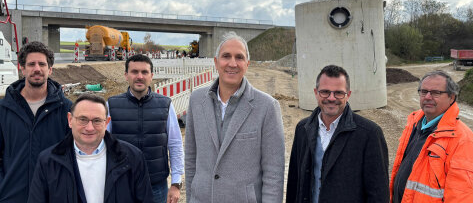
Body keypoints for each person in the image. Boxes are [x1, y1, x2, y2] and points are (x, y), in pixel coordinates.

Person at [184, 31, 285, 203]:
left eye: (239, 57)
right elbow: (191, 157)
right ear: (216, 62)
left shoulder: (267, 107)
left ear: (247, 63)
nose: (232, 63)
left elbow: (273, 172)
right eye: (226, 56)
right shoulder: (196, 100)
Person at [0, 41, 72, 203]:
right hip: (13, 197)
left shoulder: (67, 109)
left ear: (50, 69)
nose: (37, 68)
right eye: (31, 64)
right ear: (22, 68)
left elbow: (75, 155)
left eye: (42, 64)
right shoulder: (2, 109)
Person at [286, 65, 389, 203]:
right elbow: (294, 181)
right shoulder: (303, 129)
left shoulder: (369, 134)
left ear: (348, 95)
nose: (332, 98)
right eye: (325, 92)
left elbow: (378, 193)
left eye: (339, 93)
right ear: (316, 93)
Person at [28, 94, 153, 203]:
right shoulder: (48, 161)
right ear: (70, 120)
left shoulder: (132, 157)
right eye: (83, 119)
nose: (89, 127)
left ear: (106, 123)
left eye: (97, 120)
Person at [390, 71, 473, 203]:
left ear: (451, 97)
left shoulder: (463, 140)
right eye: (424, 91)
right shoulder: (414, 124)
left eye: (435, 93)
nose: (428, 97)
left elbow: (463, 197)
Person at [107, 54, 184, 203]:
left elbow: (175, 144)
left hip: (156, 186)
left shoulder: (165, 105)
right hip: (121, 184)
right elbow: (102, 144)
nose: (139, 76)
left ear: (151, 76)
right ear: (126, 75)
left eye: (144, 72)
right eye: (134, 72)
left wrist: (176, 183)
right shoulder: (112, 105)